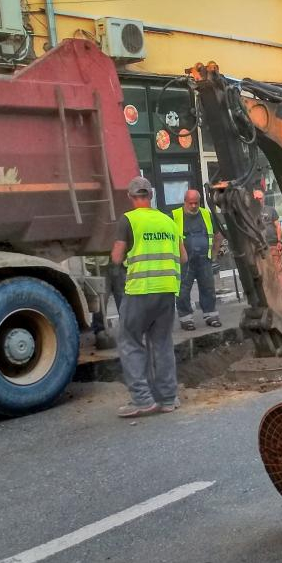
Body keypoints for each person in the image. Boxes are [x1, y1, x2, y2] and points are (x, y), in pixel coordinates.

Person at [111, 176, 184, 417]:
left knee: (129, 340)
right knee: (162, 343)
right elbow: (183, 257)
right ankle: (168, 398)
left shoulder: (129, 220)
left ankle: (142, 399)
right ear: (151, 196)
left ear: (130, 197)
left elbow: (117, 257)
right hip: (167, 290)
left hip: (141, 290)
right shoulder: (168, 220)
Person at [172, 190, 222, 330]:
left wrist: (214, 254)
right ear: (185, 202)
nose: (194, 206)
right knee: (182, 290)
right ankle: (186, 318)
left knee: (208, 288)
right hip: (184, 261)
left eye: (196, 203)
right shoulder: (175, 216)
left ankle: (211, 315)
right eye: (190, 203)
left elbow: (218, 235)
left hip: (204, 260)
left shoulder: (206, 215)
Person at [253, 189, 282, 303]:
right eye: (256, 198)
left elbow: (278, 226)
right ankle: (268, 298)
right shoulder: (250, 213)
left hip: (273, 244)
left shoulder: (271, 210)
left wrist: (279, 241)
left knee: (278, 270)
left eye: (260, 198)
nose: (259, 200)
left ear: (264, 199)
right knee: (263, 273)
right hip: (260, 247)